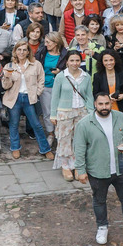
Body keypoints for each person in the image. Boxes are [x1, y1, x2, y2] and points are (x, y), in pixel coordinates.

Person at [74, 93, 123, 245]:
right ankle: (102, 227)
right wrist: (81, 170)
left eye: (106, 104)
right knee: (99, 200)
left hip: (121, 168)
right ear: (95, 104)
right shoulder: (85, 124)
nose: (104, 107)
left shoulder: (121, 117)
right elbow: (79, 148)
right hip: (98, 170)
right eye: (101, 104)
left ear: (111, 103)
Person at [3, 42, 52, 160]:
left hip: (29, 97)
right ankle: (15, 147)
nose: (22, 52)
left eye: (24, 50)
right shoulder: (9, 66)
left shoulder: (36, 64)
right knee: (14, 124)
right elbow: (5, 86)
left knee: (36, 125)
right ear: (15, 51)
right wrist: (7, 77)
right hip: (14, 98)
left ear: (28, 52)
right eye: (19, 49)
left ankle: (45, 149)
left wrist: (38, 93)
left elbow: (41, 79)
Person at [51, 50, 93, 180]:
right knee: (64, 139)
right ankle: (65, 166)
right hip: (65, 111)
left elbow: (89, 96)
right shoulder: (61, 76)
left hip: (81, 111)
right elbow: (55, 96)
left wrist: (91, 113)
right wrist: (53, 114)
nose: (75, 63)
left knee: (78, 140)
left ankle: (76, 165)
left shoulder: (85, 76)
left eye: (77, 60)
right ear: (67, 62)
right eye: (72, 60)